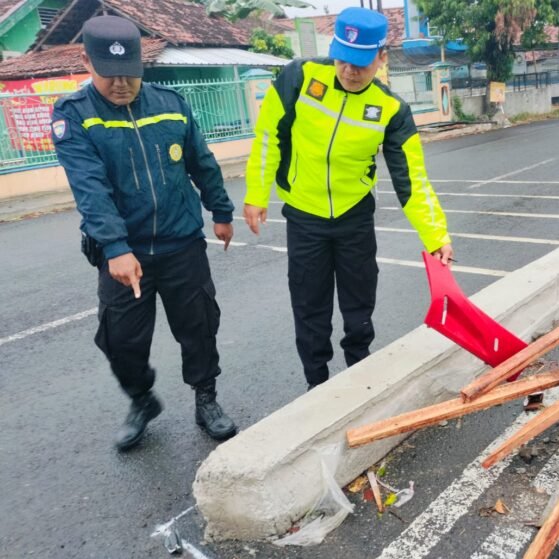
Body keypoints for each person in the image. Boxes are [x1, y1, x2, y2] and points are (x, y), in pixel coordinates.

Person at [51, 15, 237, 451]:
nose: (121, 84)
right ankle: (141, 398)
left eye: (129, 74)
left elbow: (201, 161)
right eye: (109, 74)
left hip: (181, 242)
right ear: (86, 62)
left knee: (199, 326)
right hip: (122, 252)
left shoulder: (171, 103)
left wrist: (221, 210)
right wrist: (115, 247)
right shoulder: (74, 115)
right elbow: (90, 188)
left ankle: (206, 398)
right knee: (121, 339)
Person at [243, 7, 453, 390]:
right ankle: (317, 385)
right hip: (304, 217)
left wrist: (436, 235)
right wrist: (256, 194)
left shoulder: (392, 110)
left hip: (354, 219)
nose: (349, 71)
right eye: (342, 58)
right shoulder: (299, 77)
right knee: (310, 308)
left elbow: (412, 179)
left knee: (358, 309)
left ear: (382, 57)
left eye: (360, 63)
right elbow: (268, 137)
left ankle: (359, 379)